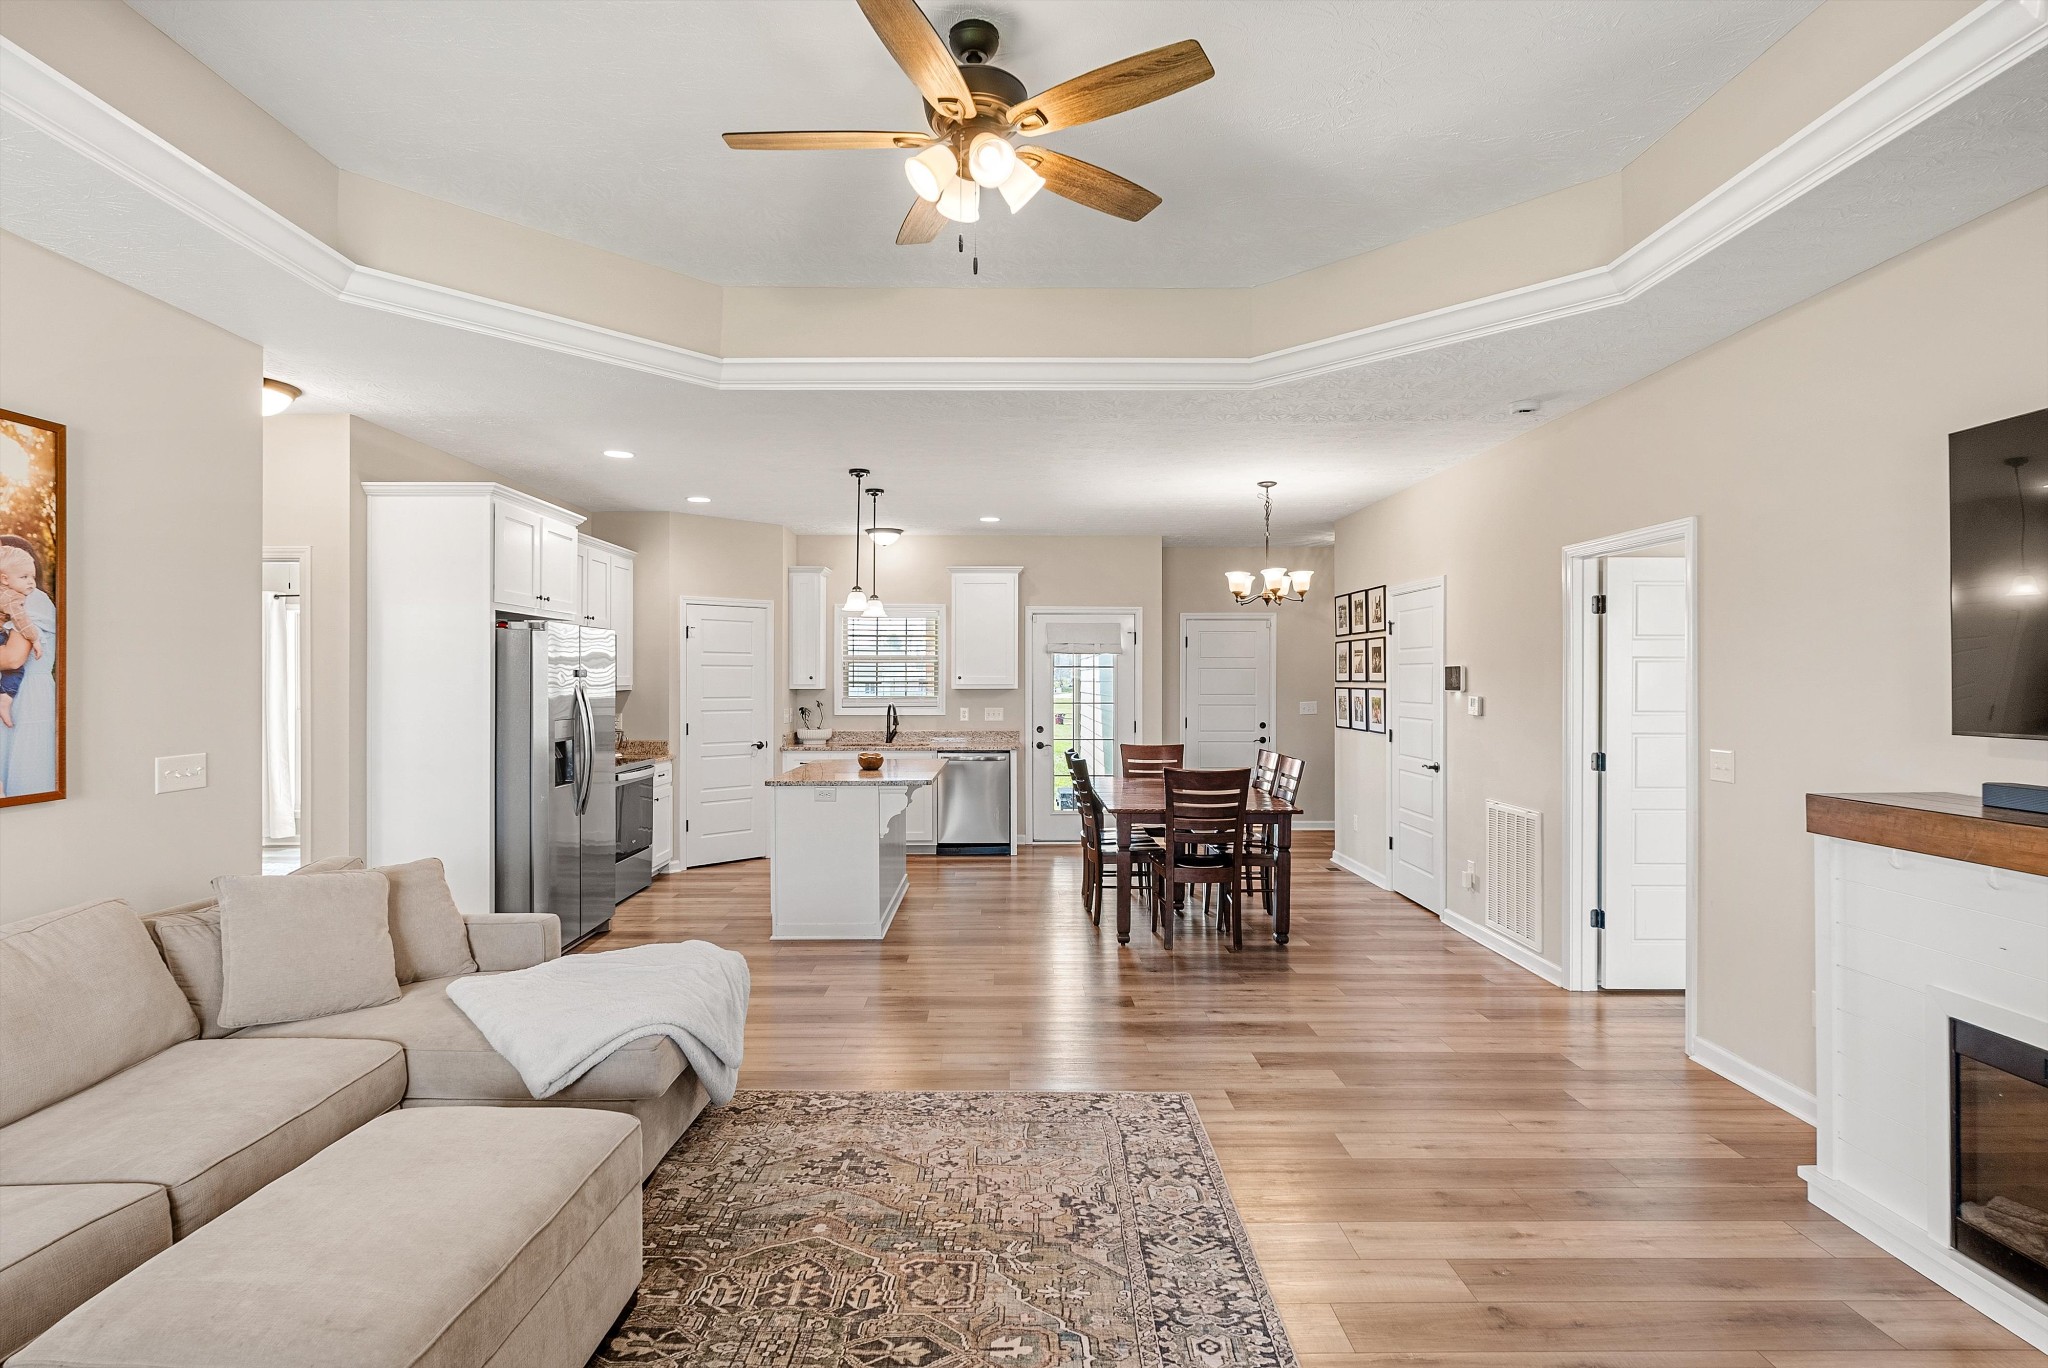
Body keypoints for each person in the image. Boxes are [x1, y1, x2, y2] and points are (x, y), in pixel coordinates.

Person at [0, 538, 57, 798]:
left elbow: (12, 658)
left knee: (26, 778)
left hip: (27, 696)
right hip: (14, 692)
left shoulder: (31, 598)